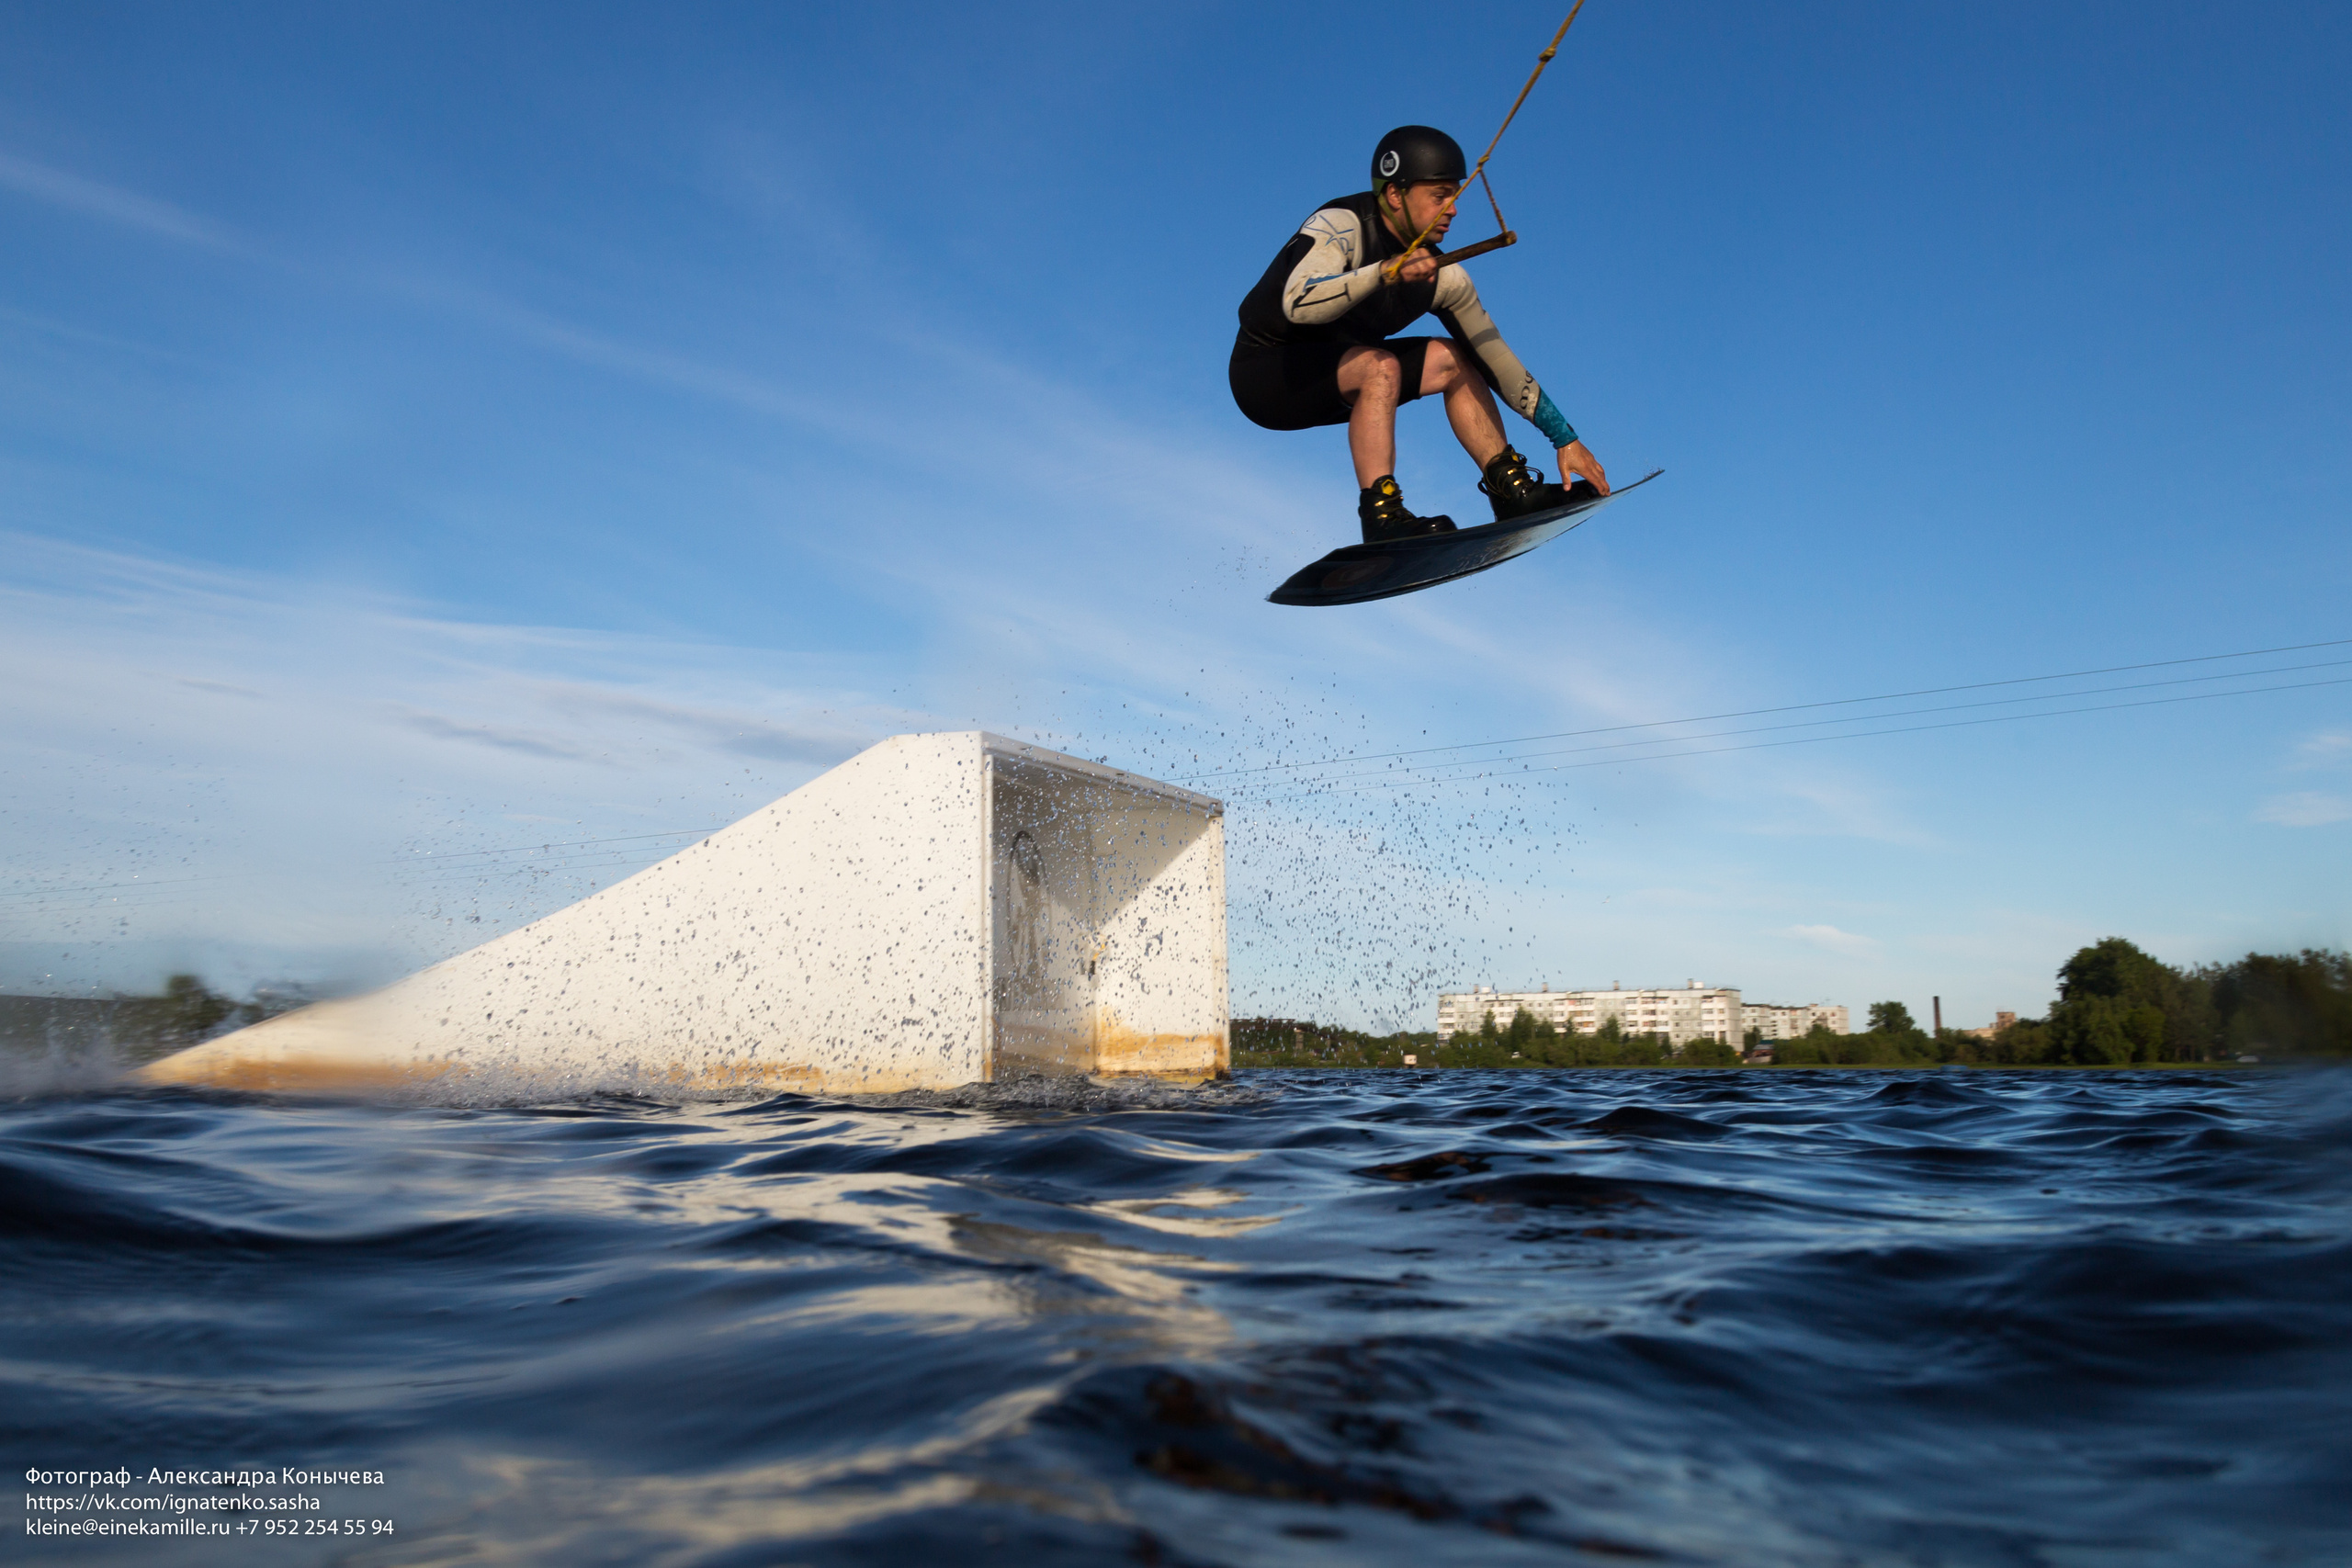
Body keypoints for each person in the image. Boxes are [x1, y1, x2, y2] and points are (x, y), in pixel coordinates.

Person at [1231, 125, 1608, 543]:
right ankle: (1383, 517)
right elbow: (1298, 302)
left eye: (1455, 195)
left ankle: (1511, 491)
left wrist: (1564, 438)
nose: (1454, 209)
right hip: (1267, 375)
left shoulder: (1444, 278)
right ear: (1395, 194)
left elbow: (1496, 358)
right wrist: (1382, 272)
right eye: (1440, 195)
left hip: (1345, 374)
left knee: (1454, 358)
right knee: (1381, 367)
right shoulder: (1340, 225)